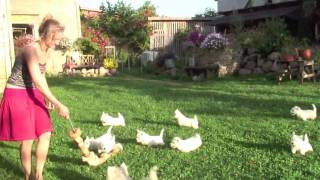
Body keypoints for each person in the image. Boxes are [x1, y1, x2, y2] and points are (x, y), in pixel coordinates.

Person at [0, 16, 70, 180]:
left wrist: (46, 98)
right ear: (47, 35)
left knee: (45, 133)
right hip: (17, 94)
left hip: (33, 93)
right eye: (56, 39)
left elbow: (42, 77)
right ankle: (28, 175)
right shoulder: (30, 50)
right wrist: (58, 104)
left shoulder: (46, 52)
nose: (58, 43)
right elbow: (37, 80)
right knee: (28, 139)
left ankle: (39, 175)